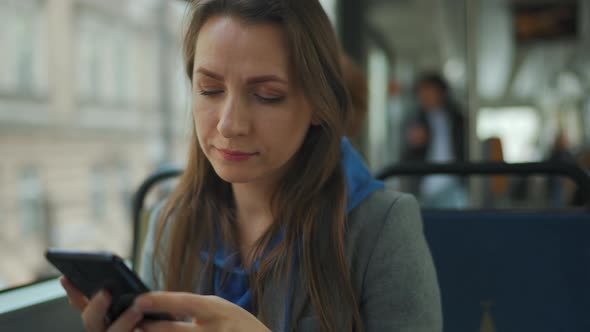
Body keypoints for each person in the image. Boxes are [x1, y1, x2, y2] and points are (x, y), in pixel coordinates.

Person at [59, 1, 442, 331]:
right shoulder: (169, 224)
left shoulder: (381, 228)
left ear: (318, 105)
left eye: (267, 95)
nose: (229, 124)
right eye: (209, 90)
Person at [402, 72, 466, 208]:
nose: (424, 96)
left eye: (429, 91)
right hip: (424, 186)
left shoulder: (457, 119)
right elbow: (404, 156)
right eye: (421, 92)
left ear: (441, 93)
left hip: (452, 184)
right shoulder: (414, 120)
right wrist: (413, 144)